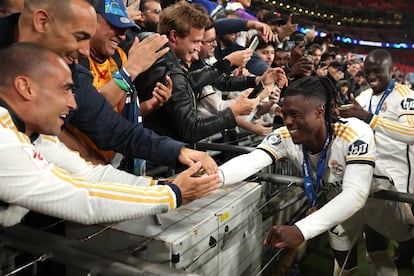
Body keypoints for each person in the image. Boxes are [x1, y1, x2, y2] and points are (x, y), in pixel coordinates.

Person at [0, 42, 220, 227]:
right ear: (25, 87)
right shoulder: (4, 139)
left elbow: (93, 177)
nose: (72, 103)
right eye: (64, 90)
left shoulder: (37, 136)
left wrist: (161, 186)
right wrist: (172, 194)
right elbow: (82, 199)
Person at [218, 76, 414, 275]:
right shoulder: (285, 135)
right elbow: (253, 160)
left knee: (398, 242)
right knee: (344, 264)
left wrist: (301, 229)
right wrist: (216, 178)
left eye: (294, 114)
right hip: (337, 203)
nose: (287, 122)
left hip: (379, 198)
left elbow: (356, 193)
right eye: (284, 114)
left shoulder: (354, 132)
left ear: (319, 111)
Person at [0, 0, 218, 175]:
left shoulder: (73, 66)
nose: (84, 51)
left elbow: (110, 126)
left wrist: (177, 151)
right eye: (80, 37)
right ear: (42, 22)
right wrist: (130, 71)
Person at [73, 0, 172, 170]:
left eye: (124, 29)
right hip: (79, 166)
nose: (122, 35)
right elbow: (94, 108)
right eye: (115, 26)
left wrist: (152, 105)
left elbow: (119, 113)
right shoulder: (74, 58)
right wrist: (131, 70)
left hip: (112, 162)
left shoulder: (119, 57)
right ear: (90, 21)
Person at [141, 1, 260, 144]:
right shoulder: (171, 71)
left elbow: (191, 80)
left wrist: (255, 80)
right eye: (196, 41)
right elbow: (191, 130)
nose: (199, 47)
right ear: (173, 36)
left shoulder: (159, 52)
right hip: (156, 153)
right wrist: (233, 113)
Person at [339, 48, 414, 270]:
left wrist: (370, 118)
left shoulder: (405, 96)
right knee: (375, 236)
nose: (371, 77)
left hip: (401, 181)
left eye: (377, 72)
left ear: (391, 69)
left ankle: (405, 255)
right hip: (372, 176)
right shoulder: (363, 97)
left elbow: (411, 133)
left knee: (401, 233)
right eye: (367, 72)